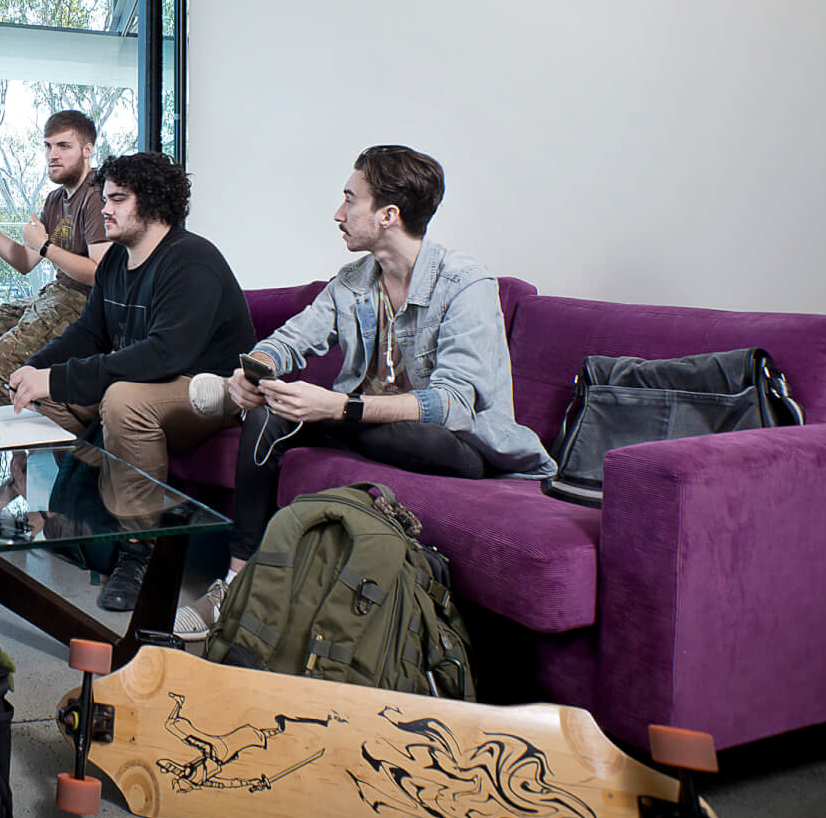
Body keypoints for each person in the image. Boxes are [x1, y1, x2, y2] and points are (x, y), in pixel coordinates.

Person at [171, 145, 554, 641]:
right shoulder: (354, 282)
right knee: (270, 413)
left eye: (350, 200)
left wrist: (338, 407)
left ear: (388, 215)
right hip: (360, 427)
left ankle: (323, 424)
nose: (339, 213)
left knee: (402, 433)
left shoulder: (465, 284)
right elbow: (293, 337)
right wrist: (256, 371)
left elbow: (453, 403)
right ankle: (236, 582)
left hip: (458, 444)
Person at [7, 152, 254, 611]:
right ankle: (88, 517)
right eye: (104, 198)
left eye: (118, 199)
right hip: (149, 380)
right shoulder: (118, 262)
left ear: (154, 204)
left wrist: (58, 379)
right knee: (52, 401)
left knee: (122, 401)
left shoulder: (192, 260)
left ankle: (139, 551)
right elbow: (88, 332)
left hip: (209, 389)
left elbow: (165, 355)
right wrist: (36, 370)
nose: (105, 209)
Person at [0, 110, 109, 411]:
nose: (53, 155)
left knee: (0, 360)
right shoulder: (55, 199)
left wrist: (46, 246)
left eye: (63, 146)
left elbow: (99, 274)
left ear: (88, 150)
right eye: (48, 146)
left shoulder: (98, 195)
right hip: (54, 296)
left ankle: (14, 456)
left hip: (84, 303)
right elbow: (25, 261)